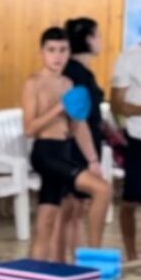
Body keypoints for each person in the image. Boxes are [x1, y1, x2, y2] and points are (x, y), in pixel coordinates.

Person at [22, 27, 111, 261]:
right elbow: (29, 129)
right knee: (102, 190)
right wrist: (59, 107)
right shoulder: (34, 83)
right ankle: (94, 257)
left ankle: (34, 276)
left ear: (69, 52)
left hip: (65, 150)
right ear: (42, 52)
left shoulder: (69, 83)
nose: (57, 56)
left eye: (63, 50)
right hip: (46, 153)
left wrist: (92, 160)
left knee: (47, 220)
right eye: (51, 50)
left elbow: (78, 126)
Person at [57, 18, 107, 260]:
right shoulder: (75, 73)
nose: (101, 41)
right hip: (75, 150)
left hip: (85, 146)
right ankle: (91, 255)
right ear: (88, 39)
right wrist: (93, 159)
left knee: (76, 209)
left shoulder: (83, 72)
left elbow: (90, 112)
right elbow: (78, 121)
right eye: (98, 35)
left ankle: (78, 260)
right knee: (83, 202)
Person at [111, 43, 141, 260]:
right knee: (130, 202)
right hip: (137, 138)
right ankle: (132, 256)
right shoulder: (129, 58)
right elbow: (117, 104)